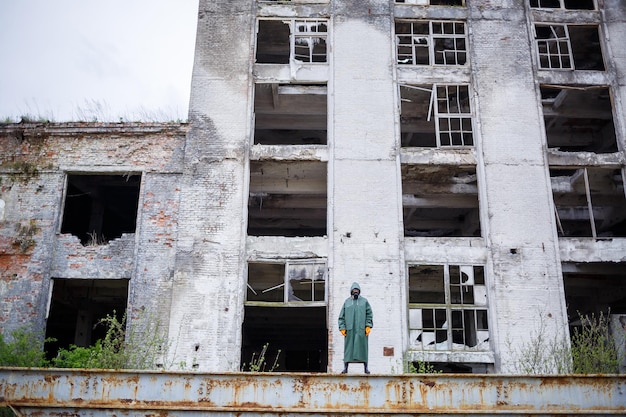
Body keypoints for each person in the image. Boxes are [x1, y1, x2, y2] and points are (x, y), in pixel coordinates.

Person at [338, 282, 373, 374]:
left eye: (357, 290)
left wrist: (368, 325)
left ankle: (366, 368)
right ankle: (346, 368)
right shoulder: (347, 302)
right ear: (351, 291)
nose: (355, 291)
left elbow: (369, 314)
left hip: (361, 330)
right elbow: (341, 316)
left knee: (363, 349)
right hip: (349, 331)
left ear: (359, 291)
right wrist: (342, 327)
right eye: (354, 290)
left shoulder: (364, 302)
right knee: (348, 349)